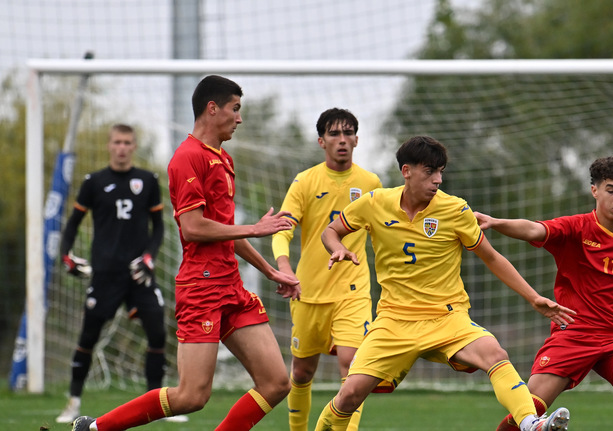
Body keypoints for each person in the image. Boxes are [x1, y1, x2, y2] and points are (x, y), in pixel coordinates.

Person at [70, 75, 300, 431]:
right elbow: (193, 228)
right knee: (192, 396)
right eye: (235, 109)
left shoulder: (224, 159)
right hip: (202, 288)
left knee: (276, 383)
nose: (239, 118)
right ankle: (96, 428)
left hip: (231, 287)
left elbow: (224, 231)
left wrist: (270, 271)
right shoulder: (186, 157)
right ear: (213, 108)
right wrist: (255, 227)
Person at [314, 136, 575, 431]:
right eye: (429, 172)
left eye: (441, 172)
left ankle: (530, 424)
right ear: (406, 171)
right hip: (393, 320)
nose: (438, 180)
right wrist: (335, 246)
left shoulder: (456, 210)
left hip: (446, 317)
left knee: (495, 354)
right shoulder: (375, 203)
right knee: (349, 395)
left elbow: (491, 257)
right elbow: (331, 230)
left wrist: (532, 297)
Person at [474, 156, 613, 431]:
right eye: (611, 189)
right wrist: (495, 222)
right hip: (573, 336)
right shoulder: (575, 228)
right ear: (595, 191)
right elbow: (533, 228)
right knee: (529, 412)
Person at [55, 123, 188, 423]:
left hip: (139, 275)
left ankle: (160, 406)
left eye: (128, 142)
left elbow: (158, 229)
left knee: (157, 333)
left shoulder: (148, 180)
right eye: (117, 142)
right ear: (109, 145)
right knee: (88, 337)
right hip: (104, 274)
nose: (122, 147)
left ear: (134, 145)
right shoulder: (94, 182)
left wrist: (150, 258)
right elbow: (73, 224)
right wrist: (67, 256)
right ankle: (73, 402)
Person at [272, 108, 382, 431]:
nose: (342, 140)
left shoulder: (370, 183)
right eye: (334, 134)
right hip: (308, 291)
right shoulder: (305, 181)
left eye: (348, 134)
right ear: (321, 141)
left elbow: (385, 234)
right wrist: (283, 267)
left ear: (357, 140)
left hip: (353, 291)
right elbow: (283, 229)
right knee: (302, 372)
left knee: (354, 369)